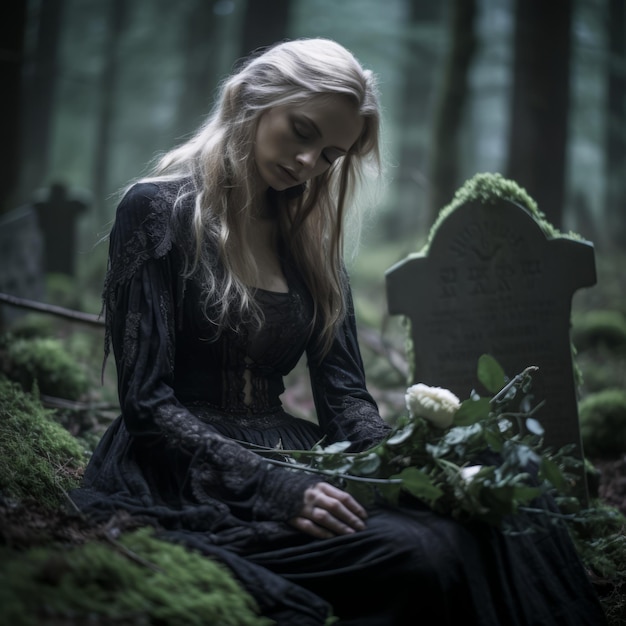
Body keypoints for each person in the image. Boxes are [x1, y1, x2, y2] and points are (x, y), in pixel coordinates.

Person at [71, 38, 607, 625]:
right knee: (425, 553)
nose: (308, 163)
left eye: (329, 154)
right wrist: (272, 488)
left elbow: (346, 397)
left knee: (503, 490)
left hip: (296, 457)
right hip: (180, 472)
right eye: (300, 131)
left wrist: (410, 464)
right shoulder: (156, 211)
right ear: (253, 97)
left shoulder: (308, 241)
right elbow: (146, 403)